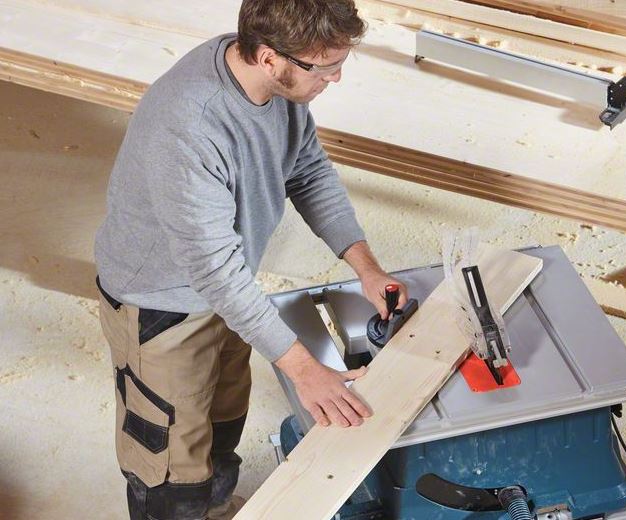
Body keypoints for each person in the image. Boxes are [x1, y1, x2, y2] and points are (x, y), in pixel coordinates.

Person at [94, 1, 406, 518]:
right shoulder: (190, 125)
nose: (336, 78)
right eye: (326, 67)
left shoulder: (276, 85)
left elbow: (307, 170)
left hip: (230, 287)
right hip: (162, 306)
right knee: (170, 473)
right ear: (268, 57)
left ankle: (217, 511)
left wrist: (366, 267)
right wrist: (306, 371)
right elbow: (212, 270)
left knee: (221, 427)